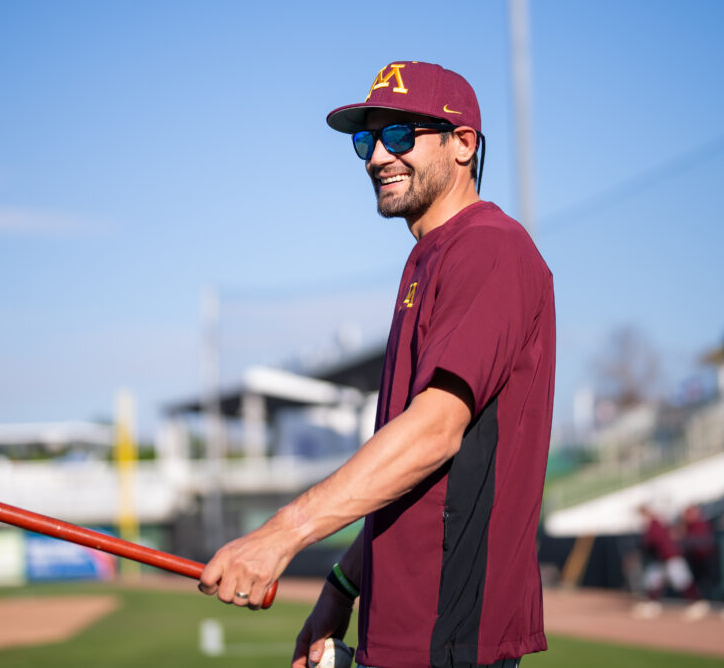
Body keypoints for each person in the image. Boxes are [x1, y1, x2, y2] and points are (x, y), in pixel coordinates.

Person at [198, 60, 555, 668]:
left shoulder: (489, 247)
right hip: (409, 631)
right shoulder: (431, 256)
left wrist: (282, 533)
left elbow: (434, 433)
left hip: (451, 636)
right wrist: (344, 585)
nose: (377, 157)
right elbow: (414, 483)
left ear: (463, 143)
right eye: (367, 140)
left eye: (398, 135)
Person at [633, 504, 709, 620]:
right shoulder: (655, 523)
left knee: (682, 580)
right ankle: (652, 604)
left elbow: (654, 541)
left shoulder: (654, 523)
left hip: (671, 556)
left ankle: (697, 603)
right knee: (653, 580)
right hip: (661, 558)